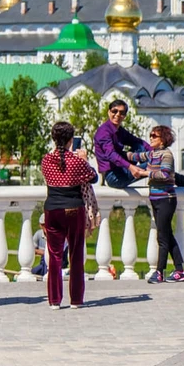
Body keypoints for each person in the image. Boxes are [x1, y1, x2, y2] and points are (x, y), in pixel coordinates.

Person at [40, 121, 98, 310]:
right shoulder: (77, 162)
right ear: (71, 140)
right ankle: (76, 299)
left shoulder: (46, 160)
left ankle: (54, 299)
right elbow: (93, 177)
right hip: (74, 208)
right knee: (76, 254)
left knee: (55, 255)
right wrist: (84, 158)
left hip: (53, 208)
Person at [131, 125, 184, 284]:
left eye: (154, 136)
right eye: (150, 135)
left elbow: (164, 174)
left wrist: (144, 173)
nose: (151, 138)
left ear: (163, 139)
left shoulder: (167, 155)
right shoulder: (152, 153)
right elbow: (136, 157)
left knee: (162, 237)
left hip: (166, 199)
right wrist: (117, 153)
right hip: (155, 199)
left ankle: (159, 272)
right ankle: (180, 270)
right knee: (166, 235)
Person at [94, 100, 151, 189]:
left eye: (122, 112)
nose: (117, 115)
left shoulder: (119, 130)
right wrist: (131, 167)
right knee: (159, 164)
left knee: (139, 146)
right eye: (114, 111)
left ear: (124, 116)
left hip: (121, 169)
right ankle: (151, 173)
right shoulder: (104, 132)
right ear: (109, 112)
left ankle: (149, 174)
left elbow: (137, 141)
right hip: (113, 177)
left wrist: (155, 152)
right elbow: (111, 155)